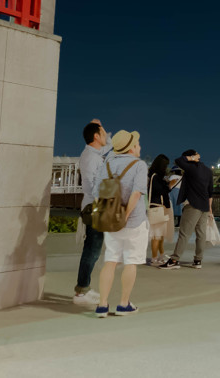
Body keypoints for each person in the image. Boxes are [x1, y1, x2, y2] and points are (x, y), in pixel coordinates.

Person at [91, 129, 148, 318]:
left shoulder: (107, 163)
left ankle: (102, 305)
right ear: (131, 148)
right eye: (137, 144)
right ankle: (123, 304)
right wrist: (125, 214)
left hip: (109, 221)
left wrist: (109, 213)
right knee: (131, 261)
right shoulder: (139, 165)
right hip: (133, 222)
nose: (139, 146)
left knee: (110, 260)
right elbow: (137, 193)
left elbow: (97, 192)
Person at [74, 120, 111, 306]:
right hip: (95, 205)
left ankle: (83, 289)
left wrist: (101, 127)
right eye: (102, 133)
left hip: (97, 205)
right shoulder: (90, 157)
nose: (105, 136)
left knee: (94, 249)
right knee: (92, 250)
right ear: (96, 137)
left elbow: (110, 145)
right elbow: (90, 184)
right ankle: (81, 291)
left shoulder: (94, 153)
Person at [161, 150, 214, 269]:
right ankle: (198, 261)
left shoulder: (191, 168)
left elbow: (178, 160)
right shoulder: (207, 170)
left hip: (193, 205)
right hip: (204, 206)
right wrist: (210, 209)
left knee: (184, 233)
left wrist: (191, 158)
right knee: (201, 234)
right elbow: (210, 192)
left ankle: (174, 260)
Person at [147, 154, 176, 267]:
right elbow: (159, 191)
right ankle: (155, 258)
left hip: (159, 207)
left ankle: (160, 256)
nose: (166, 168)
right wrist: (169, 186)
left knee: (160, 235)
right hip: (157, 207)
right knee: (157, 235)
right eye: (165, 166)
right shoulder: (155, 177)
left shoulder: (154, 176)